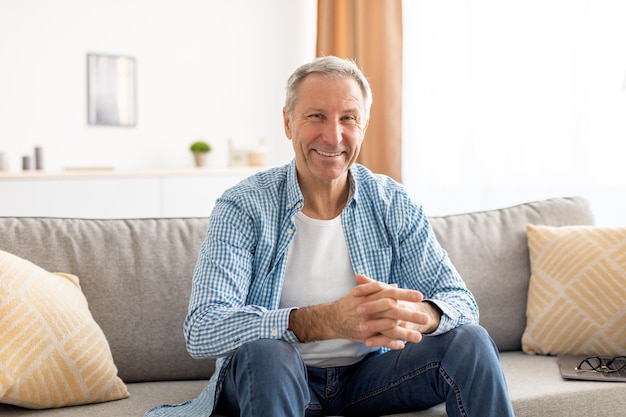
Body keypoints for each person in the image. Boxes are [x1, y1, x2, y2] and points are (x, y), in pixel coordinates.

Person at [145, 56, 514, 417]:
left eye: (348, 118)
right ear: (288, 122)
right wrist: (325, 321)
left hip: (369, 379)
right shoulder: (243, 206)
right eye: (316, 116)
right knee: (268, 353)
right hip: (276, 376)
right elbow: (203, 327)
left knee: (471, 341)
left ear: (363, 127)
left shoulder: (392, 202)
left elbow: (462, 303)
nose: (333, 135)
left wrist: (419, 314)